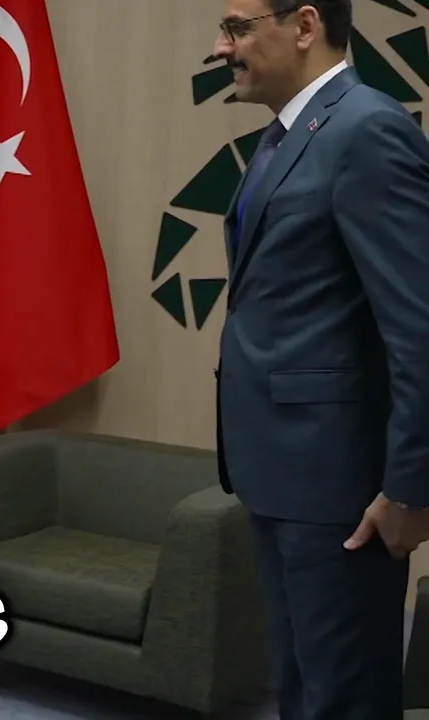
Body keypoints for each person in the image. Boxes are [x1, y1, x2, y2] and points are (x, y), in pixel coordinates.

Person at [212, 1, 429, 717]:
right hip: (280, 475)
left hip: (341, 489)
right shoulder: (286, 137)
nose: (221, 48)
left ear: (305, 26)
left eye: (238, 28)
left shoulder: (368, 130)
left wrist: (410, 490)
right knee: (302, 691)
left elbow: (417, 326)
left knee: (344, 700)